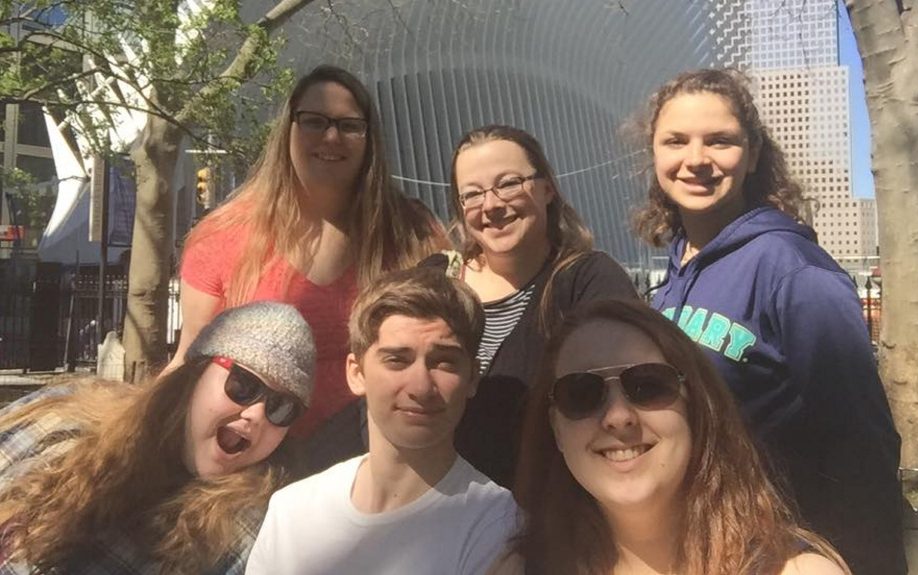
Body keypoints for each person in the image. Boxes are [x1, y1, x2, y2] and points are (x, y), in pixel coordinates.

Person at [633, 69, 904, 574]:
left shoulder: (795, 271)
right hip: (697, 546)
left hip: (780, 554)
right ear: (654, 154)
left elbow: (863, 443)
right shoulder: (671, 279)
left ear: (752, 154)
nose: (696, 159)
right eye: (676, 141)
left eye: (720, 141)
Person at [173, 64, 447, 458]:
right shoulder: (223, 233)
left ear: (370, 139)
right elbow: (190, 359)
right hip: (249, 464)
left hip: (370, 467)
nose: (332, 137)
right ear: (288, 129)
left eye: (350, 126)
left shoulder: (413, 232)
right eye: (315, 122)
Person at [494, 299, 849, 575]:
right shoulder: (518, 570)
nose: (618, 417)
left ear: (698, 407)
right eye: (581, 393)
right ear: (555, 429)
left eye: (649, 385)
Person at [0, 301, 315, 574]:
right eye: (244, 385)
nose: (257, 414)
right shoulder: (62, 420)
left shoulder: (242, 539)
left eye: (282, 407)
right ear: (194, 376)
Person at [246, 267, 518, 575]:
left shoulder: (497, 523)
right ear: (356, 373)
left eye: (444, 362)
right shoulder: (292, 511)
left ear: (472, 378)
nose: (420, 387)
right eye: (397, 360)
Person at [443, 124, 638, 486]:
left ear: (547, 188)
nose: (491, 205)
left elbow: (617, 399)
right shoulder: (437, 282)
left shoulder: (589, 282)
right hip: (446, 515)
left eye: (509, 183)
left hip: (550, 515)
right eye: (471, 194)